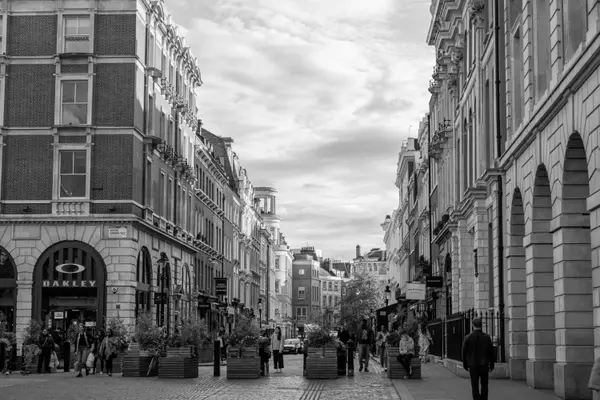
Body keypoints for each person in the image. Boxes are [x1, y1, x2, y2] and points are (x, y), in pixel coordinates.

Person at [462, 318, 495, 400]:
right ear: (481, 325)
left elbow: (464, 353)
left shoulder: (468, 337)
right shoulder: (486, 337)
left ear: (473, 325)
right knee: (484, 385)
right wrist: (492, 364)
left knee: (474, 386)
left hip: (472, 365)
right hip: (484, 364)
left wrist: (465, 364)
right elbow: (491, 352)